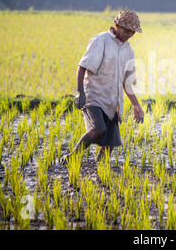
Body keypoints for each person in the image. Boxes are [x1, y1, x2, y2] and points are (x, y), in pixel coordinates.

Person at [60, 9, 144, 165]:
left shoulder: (128, 50)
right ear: (117, 25)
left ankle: (101, 169)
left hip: (113, 100)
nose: (129, 34)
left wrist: (136, 105)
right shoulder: (101, 40)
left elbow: (127, 82)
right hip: (94, 96)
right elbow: (83, 66)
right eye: (127, 30)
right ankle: (71, 158)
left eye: (132, 32)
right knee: (98, 128)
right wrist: (80, 92)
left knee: (111, 142)